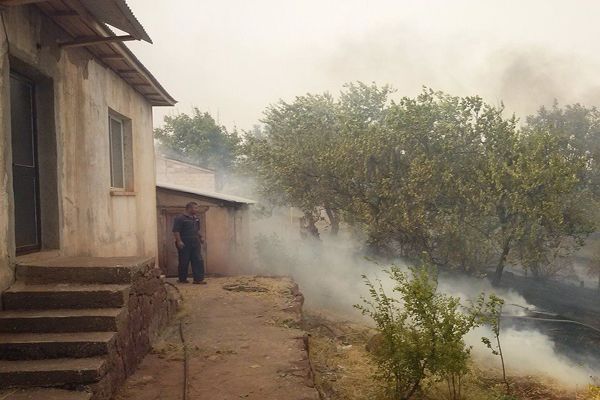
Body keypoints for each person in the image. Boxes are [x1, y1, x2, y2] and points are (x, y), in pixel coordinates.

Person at [172, 201, 206, 284]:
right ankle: (182, 279)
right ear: (189, 208)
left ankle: (198, 280)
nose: (197, 209)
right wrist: (179, 241)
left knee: (198, 260)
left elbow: (197, 230)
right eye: (195, 208)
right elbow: (176, 231)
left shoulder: (196, 218)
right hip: (184, 242)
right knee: (184, 261)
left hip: (195, 241)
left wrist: (201, 237)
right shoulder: (180, 218)